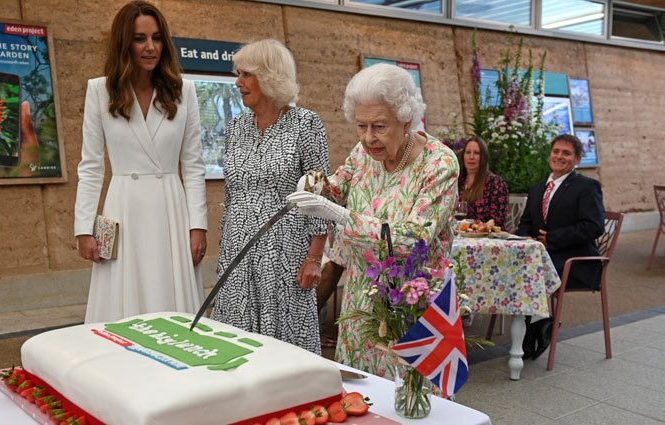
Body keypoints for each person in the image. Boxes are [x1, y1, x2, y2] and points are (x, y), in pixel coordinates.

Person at [288, 63, 459, 378]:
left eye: (380, 126)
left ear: (406, 119)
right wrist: (311, 183)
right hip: (361, 299)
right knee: (361, 395)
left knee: (409, 400)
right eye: (361, 126)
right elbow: (336, 187)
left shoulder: (439, 163)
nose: (368, 138)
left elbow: (413, 239)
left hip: (411, 302)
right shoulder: (364, 152)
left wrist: (340, 215)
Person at [74, 1, 207, 323]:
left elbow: (193, 165)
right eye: (140, 39)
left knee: (172, 300)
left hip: (171, 210)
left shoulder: (183, 91)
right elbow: (90, 166)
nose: (150, 47)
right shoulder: (100, 91)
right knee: (123, 305)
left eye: (157, 38)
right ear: (124, 43)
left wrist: (197, 225)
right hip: (124, 208)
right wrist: (83, 228)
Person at [211, 39, 331, 355]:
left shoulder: (307, 124)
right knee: (237, 341)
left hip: (285, 252)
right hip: (238, 249)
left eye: (246, 75)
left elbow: (318, 193)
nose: (239, 83)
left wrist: (315, 257)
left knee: (285, 344)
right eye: (239, 74)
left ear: (269, 76)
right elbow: (231, 191)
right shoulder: (236, 127)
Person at [517, 134, 605, 359]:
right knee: (513, 268)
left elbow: (594, 226)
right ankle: (538, 323)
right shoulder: (538, 188)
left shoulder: (587, 187)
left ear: (577, 160)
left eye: (566, 153)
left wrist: (553, 238)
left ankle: (532, 331)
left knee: (529, 273)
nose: (559, 156)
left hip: (575, 262)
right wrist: (527, 238)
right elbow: (525, 224)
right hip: (542, 259)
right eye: (556, 151)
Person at [458, 136, 508, 228]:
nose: (471, 157)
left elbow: (497, 220)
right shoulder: (458, 182)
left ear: (484, 157)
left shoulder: (495, 183)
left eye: (477, 153)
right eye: (468, 152)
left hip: (488, 238)